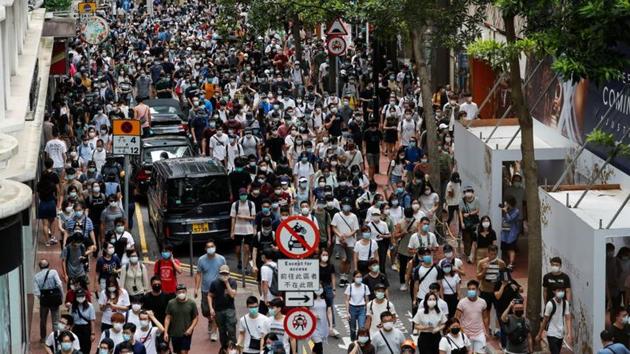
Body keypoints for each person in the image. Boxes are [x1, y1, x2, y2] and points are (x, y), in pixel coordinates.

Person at [194, 241, 226, 341]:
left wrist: (225, 287)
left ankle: (214, 331)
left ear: (215, 247)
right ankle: (210, 321)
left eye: (212, 246)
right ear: (205, 249)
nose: (210, 248)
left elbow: (225, 273)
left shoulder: (221, 259)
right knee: (205, 311)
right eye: (208, 247)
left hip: (218, 290)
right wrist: (196, 288)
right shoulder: (201, 260)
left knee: (215, 311)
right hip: (205, 290)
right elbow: (198, 274)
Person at [536, 285, 573, 354]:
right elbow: (545, 320)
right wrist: (539, 334)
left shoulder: (565, 303)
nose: (561, 292)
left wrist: (569, 333)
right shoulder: (550, 304)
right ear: (554, 291)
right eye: (559, 290)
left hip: (561, 333)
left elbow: (568, 318)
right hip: (551, 334)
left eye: (562, 290)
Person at [332, 198, 360, 286]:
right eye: (345, 204)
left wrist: (348, 235)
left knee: (349, 260)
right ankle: (341, 277)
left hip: (351, 241)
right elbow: (334, 227)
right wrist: (340, 235)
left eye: (348, 204)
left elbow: (356, 229)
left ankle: (346, 277)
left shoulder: (354, 216)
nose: (346, 206)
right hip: (339, 241)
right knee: (343, 259)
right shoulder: (337, 215)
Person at [34, 259, 64, 342]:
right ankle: (56, 337)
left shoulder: (36, 276)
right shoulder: (53, 272)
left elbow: (37, 292)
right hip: (54, 298)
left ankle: (43, 338)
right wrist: (61, 296)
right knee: (56, 320)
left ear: (39, 267)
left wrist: (42, 298)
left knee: (43, 320)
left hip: (44, 300)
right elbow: (59, 284)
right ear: (48, 265)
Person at [455, 280, 488, 354]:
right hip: (466, 334)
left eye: (473, 289)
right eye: (469, 289)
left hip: (480, 333)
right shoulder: (462, 303)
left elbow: (485, 317)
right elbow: (456, 318)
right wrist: (461, 332)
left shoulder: (483, 302)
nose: (471, 291)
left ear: (477, 290)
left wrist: (486, 331)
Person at [164, 284, 199, 354]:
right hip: (174, 333)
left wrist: (191, 328)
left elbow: (195, 318)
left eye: (183, 291)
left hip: (186, 333)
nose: (181, 294)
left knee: (184, 351)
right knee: (178, 352)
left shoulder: (191, 303)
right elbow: (168, 318)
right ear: (176, 293)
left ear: (186, 292)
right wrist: (165, 332)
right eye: (179, 292)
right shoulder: (171, 303)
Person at [231, 187, 256, 273]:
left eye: (245, 194)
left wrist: (243, 217)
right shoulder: (235, 204)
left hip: (248, 229)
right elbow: (233, 218)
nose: (243, 196)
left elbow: (253, 217)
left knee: (247, 248)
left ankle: (245, 267)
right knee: (237, 250)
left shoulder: (251, 204)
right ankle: (239, 261)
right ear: (239, 195)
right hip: (237, 230)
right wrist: (232, 231)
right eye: (242, 195)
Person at [476, 245, 505, 319]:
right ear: (488, 253)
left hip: (496, 291)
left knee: (500, 311)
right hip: (485, 291)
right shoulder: (481, 262)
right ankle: (487, 329)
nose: (493, 256)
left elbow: (504, 277)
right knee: (485, 312)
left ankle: (500, 328)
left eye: (495, 254)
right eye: (491, 254)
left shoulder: (501, 263)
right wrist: (484, 270)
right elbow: (478, 277)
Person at [345, 270, 370, 341]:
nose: (359, 278)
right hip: (352, 308)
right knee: (352, 329)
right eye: (357, 277)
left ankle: (359, 342)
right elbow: (347, 300)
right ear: (353, 278)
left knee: (361, 327)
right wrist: (347, 312)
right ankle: (353, 341)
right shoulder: (350, 287)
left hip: (362, 309)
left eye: (360, 277)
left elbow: (367, 300)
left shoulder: (365, 287)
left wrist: (367, 311)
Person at [69, 288, 96, 354]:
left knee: (86, 347)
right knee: (76, 347)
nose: (80, 298)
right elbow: (70, 320)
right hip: (76, 328)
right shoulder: (73, 306)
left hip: (86, 328)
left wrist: (92, 333)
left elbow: (92, 320)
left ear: (85, 296)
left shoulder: (90, 306)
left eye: (82, 296)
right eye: (78, 296)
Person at [459, 186, 480, 262]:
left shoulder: (476, 200)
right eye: (466, 192)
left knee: (474, 238)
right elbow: (460, 212)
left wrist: (470, 214)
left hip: (474, 222)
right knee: (466, 238)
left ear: (472, 192)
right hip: (465, 222)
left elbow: (477, 210)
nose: (468, 193)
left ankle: (472, 255)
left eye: (469, 191)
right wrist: (462, 222)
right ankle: (468, 254)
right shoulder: (462, 201)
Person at [500, 196, 520, 268]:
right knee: (505, 248)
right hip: (504, 232)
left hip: (512, 233)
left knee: (511, 248)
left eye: (507, 203)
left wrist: (506, 212)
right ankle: (507, 261)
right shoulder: (505, 209)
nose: (505, 204)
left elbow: (510, 220)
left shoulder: (516, 211)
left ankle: (511, 263)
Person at [311, 287, 333, 354]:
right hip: (312, 326)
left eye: (320, 287)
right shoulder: (309, 299)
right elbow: (305, 310)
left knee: (318, 346)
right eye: (317, 287)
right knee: (319, 344)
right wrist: (312, 315)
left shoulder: (326, 299)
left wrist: (331, 326)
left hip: (323, 325)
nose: (318, 289)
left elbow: (329, 312)